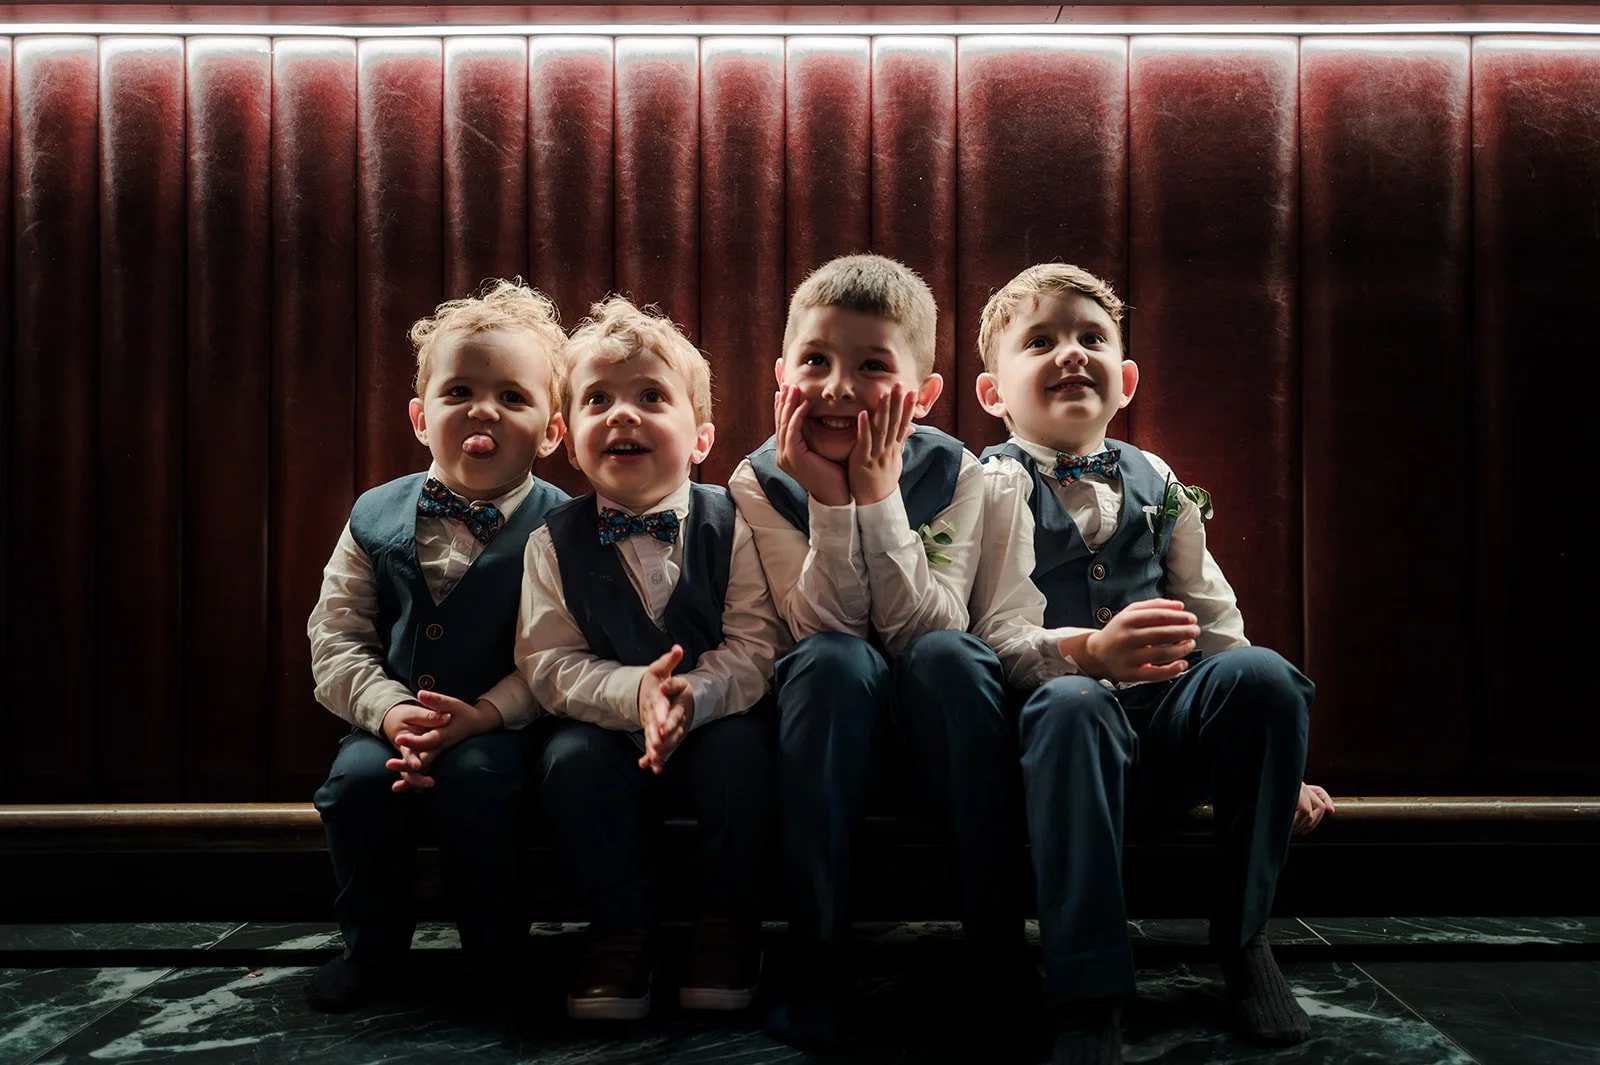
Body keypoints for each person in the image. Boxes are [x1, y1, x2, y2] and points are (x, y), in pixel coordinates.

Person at [517, 297, 788, 1021]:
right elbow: (549, 662)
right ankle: (618, 929)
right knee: (567, 758)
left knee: (742, 749)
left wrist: (691, 696)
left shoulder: (737, 522)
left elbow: (755, 647)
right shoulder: (552, 542)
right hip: (606, 732)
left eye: (650, 397)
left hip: (713, 722)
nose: (622, 414)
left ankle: (729, 923)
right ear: (570, 443)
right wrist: (635, 691)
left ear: (701, 437)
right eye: (597, 400)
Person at [305, 280, 570, 1012]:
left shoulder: (567, 530)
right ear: (423, 417)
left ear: (550, 431)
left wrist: (488, 712)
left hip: (501, 725)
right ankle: (371, 949)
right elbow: (336, 635)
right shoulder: (373, 514)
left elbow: (559, 650)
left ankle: (495, 953)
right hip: (388, 719)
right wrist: (390, 712)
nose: (483, 410)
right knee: (358, 785)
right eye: (459, 391)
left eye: (513, 397)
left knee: (482, 785)